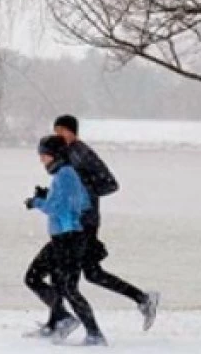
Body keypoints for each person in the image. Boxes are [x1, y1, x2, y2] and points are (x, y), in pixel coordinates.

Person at [51, 114, 161, 331]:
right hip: (76, 221)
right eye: (55, 132)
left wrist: (84, 194)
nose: (58, 136)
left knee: (65, 276)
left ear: (72, 131)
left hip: (85, 222)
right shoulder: (67, 153)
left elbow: (110, 184)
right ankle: (142, 298)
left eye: (61, 131)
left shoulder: (83, 153)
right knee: (89, 273)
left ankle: (69, 325)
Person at [23, 135, 107, 346]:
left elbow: (60, 208)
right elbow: (78, 202)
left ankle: (92, 333)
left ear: (55, 155)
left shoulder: (66, 175)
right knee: (41, 280)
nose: (41, 160)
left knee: (66, 286)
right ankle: (61, 319)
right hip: (63, 238)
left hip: (68, 239)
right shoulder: (64, 174)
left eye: (44, 155)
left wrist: (37, 202)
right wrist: (48, 195)